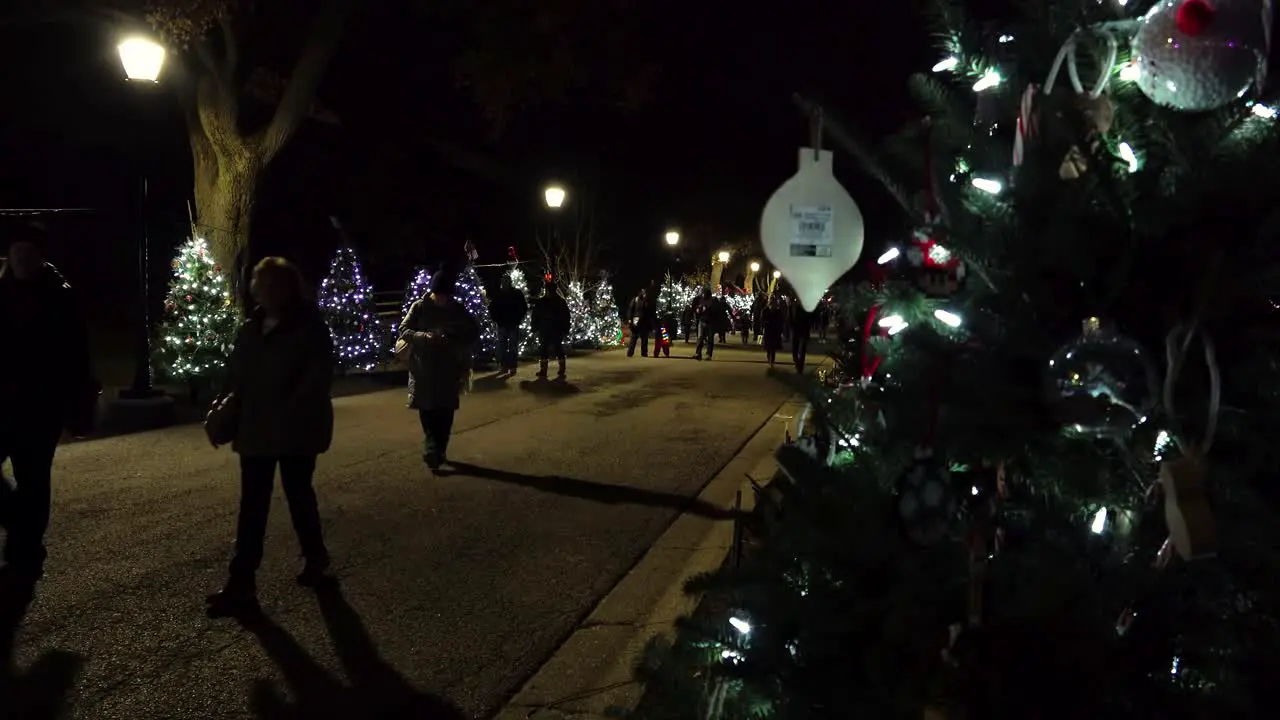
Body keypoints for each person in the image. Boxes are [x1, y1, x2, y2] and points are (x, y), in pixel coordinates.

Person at [206, 257, 336, 619]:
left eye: (271, 285)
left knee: (298, 495)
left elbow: (316, 378)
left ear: (287, 288)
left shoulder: (309, 328)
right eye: (259, 286)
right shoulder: (252, 328)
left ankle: (316, 559)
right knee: (253, 507)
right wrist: (227, 409)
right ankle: (241, 582)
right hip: (256, 430)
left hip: (296, 429)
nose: (264, 292)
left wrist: (286, 406)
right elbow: (239, 376)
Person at [0, 224, 97, 587]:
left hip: (41, 406)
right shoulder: (2, 292)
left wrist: (79, 404)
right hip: (2, 402)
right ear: (9, 255)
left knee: (33, 479)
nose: (23, 258)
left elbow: (77, 356)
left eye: (29, 252)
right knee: (27, 486)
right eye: (17, 251)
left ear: (40, 257)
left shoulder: (60, 297)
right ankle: (19, 523)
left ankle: (27, 546)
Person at [399, 267, 479, 473]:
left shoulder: (457, 309)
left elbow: (472, 332)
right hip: (423, 369)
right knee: (428, 412)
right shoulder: (419, 307)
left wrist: (451, 334)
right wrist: (424, 337)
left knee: (445, 414)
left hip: (449, 369)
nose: (442, 299)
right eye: (439, 294)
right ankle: (432, 448)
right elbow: (404, 330)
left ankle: (439, 450)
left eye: (445, 295)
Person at [532, 278, 572, 380]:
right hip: (544, 328)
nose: (548, 292)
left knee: (557, 348)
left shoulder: (560, 302)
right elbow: (535, 315)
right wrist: (535, 326)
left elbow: (566, 316)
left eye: (550, 290)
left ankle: (561, 368)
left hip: (556, 328)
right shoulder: (542, 302)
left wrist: (565, 328)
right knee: (543, 349)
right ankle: (543, 370)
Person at [489, 275, 528, 375]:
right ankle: (505, 366)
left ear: (509, 282)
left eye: (506, 282)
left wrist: (518, 318)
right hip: (503, 324)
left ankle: (511, 366)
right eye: (503, 282)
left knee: (512, 347)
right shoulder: (499, 294)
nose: (504, 284)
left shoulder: (516, 293)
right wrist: (497, 320)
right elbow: (492, 308)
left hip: (512, 323)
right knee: (503, 346)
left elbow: (523, 307)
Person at [693, 287, 725, 361]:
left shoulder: (713, 300)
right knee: (700, 337)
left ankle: (708, 354)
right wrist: (698, 310)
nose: (702, 294)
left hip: (711, 322)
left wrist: (707, 309)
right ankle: (698, 353)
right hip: (702, 320)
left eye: (703, 293)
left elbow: (717, 310)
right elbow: (697, 309)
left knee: (710, 338)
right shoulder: (701, 300)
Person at [761, 296, 786, 368]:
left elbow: (781, 321)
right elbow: (762, 320)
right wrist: (764, 325)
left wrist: (781, 330)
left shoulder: (778, 312)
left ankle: (772, 360)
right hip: (768, 330)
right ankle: (769, 358)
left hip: (775, 331)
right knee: (769, 347)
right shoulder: (765, 310)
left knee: (773, 347)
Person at [626, 288, 652, 357]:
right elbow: (630, 310)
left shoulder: (646, 300)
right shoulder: (635, 300)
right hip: (636, 319)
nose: (643, 293)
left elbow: (648, 310)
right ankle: (630, 352)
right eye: (642, 292)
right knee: (634, 336)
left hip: (643, 320)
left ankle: (644, 353)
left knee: (644, 338)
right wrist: (629, 319)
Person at [791, 301, 813, 374]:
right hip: (796, 331)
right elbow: (791, 318)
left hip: (803, 331)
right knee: (795, 349)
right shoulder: (795, 307)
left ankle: (800, 366)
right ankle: (797, 363)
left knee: (802, 350)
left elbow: (809, 320)